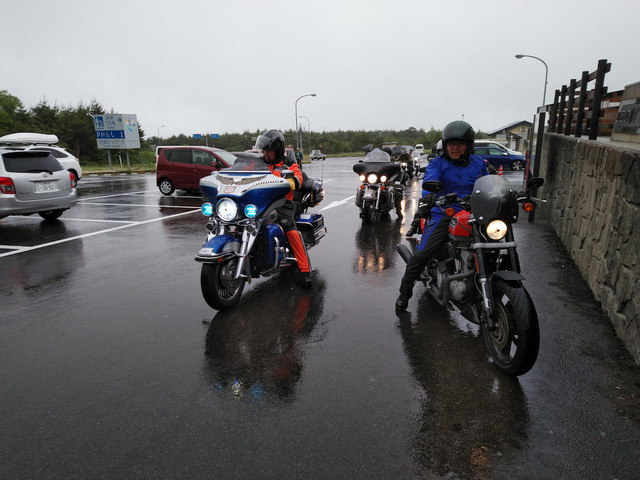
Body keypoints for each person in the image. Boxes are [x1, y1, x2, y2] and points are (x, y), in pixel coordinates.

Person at [395, 120, 489, 311]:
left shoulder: (479, 163)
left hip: (473, 214)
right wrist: (430, 195)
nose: (455, 147)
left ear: (468, 146)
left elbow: (487, 183)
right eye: (451, 144)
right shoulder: (438, 163)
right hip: (445, 213)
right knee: (421, 254)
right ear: (445, 146)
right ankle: (404, 293)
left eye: (460, 143)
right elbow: (430, 179)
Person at [255, 130, 312, 288]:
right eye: (264, 151)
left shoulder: (289, 164)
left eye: (269, 151)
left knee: (291, 230)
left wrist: (292, 180)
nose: (266, 154)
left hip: (282, 203)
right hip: (260, 202)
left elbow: (298, 178)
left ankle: (305, 270)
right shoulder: (259, 164)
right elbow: (243, 172)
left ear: (278, 150)